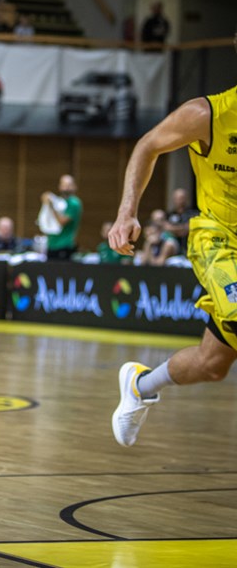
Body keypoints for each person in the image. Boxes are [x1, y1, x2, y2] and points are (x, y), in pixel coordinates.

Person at [108, 75, 237, 448]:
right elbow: (148, 146)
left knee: (212, 365)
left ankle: (140, 385)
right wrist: (126, 213)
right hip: (220, 240)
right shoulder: (207, 113)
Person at [40, 174, 81, 260]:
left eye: (69, 185)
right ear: (59, 187)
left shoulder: (74, 203)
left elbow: (62, 222)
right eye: (64, 185)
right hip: (51, 244)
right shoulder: (59, 202)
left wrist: (51, 206)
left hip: (64, 245)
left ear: (74, 187)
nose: (66, 188)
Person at [164, 187, 198, 253]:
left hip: (190, 247)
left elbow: (188, 228)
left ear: (186, 199)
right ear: (173, 199)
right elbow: (166, 228)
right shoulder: (169, 214)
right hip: (173, 249)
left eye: (182, 198)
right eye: (177, 198)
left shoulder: (193, 214)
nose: (180, 200)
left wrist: (173, 229)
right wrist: (182, 228)